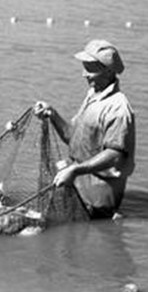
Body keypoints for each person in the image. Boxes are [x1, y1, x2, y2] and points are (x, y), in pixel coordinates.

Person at [34, 39, 135, 219]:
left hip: (97, 198)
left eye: (90, 68)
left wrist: (75, 170)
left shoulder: (118, 108)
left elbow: (115, 154)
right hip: (78, 187)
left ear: (109, 71)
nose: (84, 74)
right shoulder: (93, 96)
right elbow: (72, 137)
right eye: (84, 67)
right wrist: (52, 114)